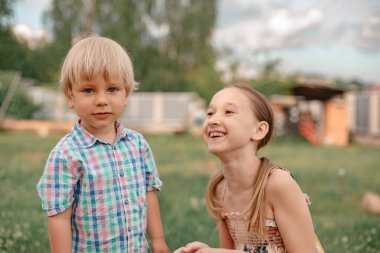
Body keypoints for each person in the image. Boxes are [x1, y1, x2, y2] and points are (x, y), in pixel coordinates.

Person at [36, 36, 170, 253]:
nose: (101, 100)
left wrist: (158, 240)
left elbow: (149, 193)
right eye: (88, 90)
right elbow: (59, 219)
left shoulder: (137, 145)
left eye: (112, 89)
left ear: (126, 93)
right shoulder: (66, 155)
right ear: (70, 97)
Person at [174, 84, 323, 253]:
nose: (213, 120)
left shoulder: (278, 184)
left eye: (229, 112)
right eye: (210, 113)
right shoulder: (221, 189)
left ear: (259, 130)